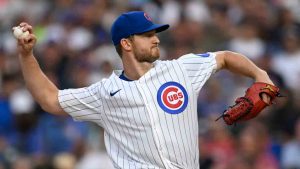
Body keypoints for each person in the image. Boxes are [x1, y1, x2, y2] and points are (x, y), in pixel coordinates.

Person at [15, 11, 274, 169]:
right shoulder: (106, 94)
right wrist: (27, 55)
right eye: (147, 35)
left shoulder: (180, 69)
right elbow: (50, 99)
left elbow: (225, 57)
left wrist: (260, 75)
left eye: (155, 33)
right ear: (126, 44)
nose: (156, 38)